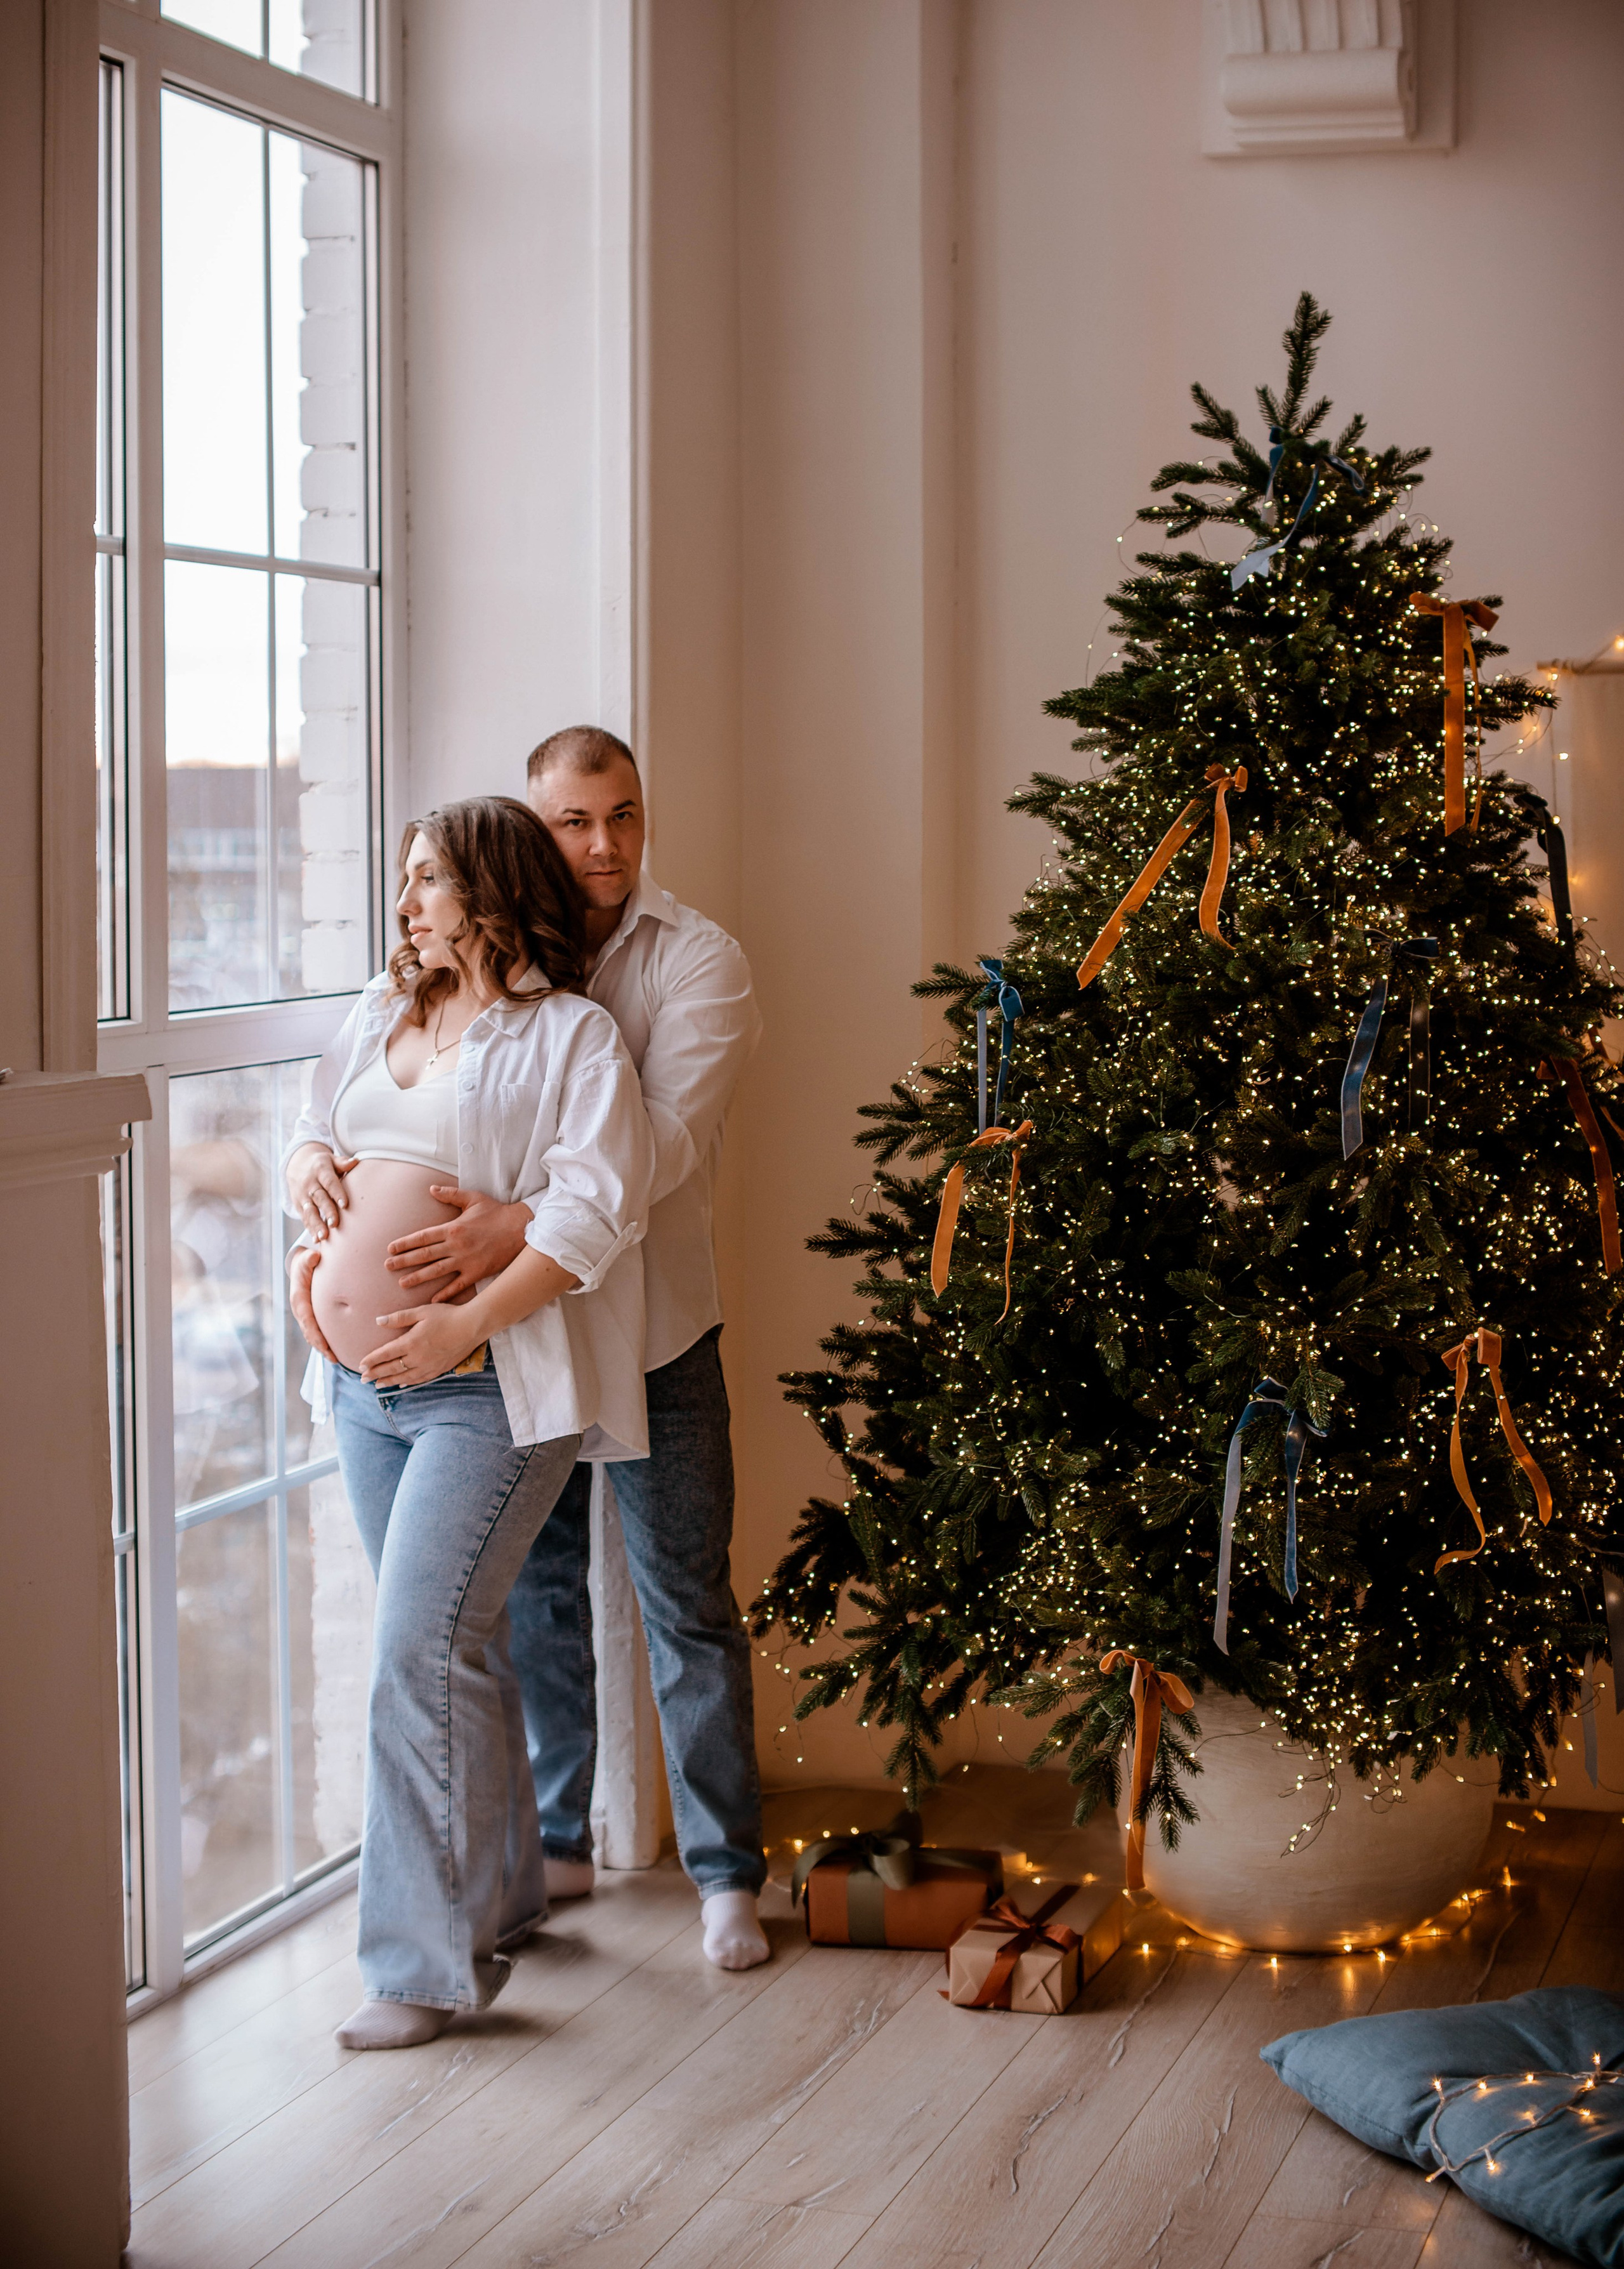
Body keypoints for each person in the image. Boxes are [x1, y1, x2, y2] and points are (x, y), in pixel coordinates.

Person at [379, 728, 769, 1970]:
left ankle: (725, 1874)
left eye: (623, 817)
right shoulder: (488, 967)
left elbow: (660, 1149)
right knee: (538, 1595)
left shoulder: (696, 960)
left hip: (653, 1328)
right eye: (571, 823)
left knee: (685, 1601)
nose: (602, 846)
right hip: (528, 1338)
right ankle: (552, 1843)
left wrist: (515, 1219)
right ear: (531, 829)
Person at [284, 796, 653, 2048]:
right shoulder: (375, 1016)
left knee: (415, 1658)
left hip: (488, 1393)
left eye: (427, 881)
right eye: (403, 882)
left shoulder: (571, 1039)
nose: (406, 906)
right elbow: (311, 1137)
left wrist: (461, 1322)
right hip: (359, 1391)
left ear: (490, 891)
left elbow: (591, 1217)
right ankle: (494, 1903)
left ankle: (415, 1969)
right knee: (462, 1651)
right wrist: (309, 1206)